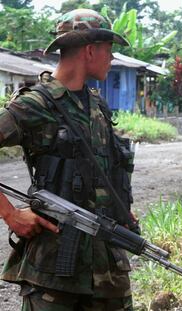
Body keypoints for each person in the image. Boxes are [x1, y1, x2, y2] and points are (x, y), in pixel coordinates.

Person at [0, 9, 137, 310]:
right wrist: (9, 213)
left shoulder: (98, 106)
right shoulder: (36, 104)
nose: (112, 59)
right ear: (90, 50)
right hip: (53, 271)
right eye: (109, 51)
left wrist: (120, 209)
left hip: (107, 271)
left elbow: (105, 168)